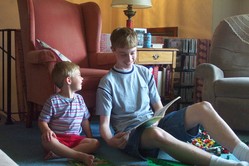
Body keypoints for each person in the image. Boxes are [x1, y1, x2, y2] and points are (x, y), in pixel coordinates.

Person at [96, 27, 249, 166]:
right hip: (132, 135)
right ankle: (225, 165)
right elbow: (104, 125)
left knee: (204, 107)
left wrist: (157, 120)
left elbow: (158, 108)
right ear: (113, 50)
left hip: (153, 124)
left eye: (133, 53)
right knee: (155, 133)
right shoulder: (107, 83)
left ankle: (244, 153)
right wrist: (111, 141)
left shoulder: (144, 73)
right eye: (123, 54)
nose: (129, 59)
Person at [38, 61, 99, 166]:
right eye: (79, 76)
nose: (82, 78)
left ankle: (60, 154)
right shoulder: (53, 101)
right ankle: (78, 155)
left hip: (75, 139)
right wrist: (46, 130)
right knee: (47, 141)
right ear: (69, 80)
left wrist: (90, 136)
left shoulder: (80, 99)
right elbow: (42, 121)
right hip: (58, 139)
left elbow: (85, 120)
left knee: (95, 143)